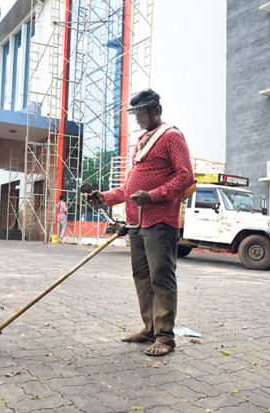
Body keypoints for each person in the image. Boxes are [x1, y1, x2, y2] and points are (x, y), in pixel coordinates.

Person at [90, 89, 194, 356]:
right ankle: (149, 328)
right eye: (134, 113)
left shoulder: (172, 136)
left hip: (160, 221)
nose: (136, 118)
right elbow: (128, 190)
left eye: (140, 113)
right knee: (142, 277)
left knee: (162, 277)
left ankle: (165, 337)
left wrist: (152, 196)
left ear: (155, 110)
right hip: (137, 223)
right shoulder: (143, 141)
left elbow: (185, 177)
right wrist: (105, 197)